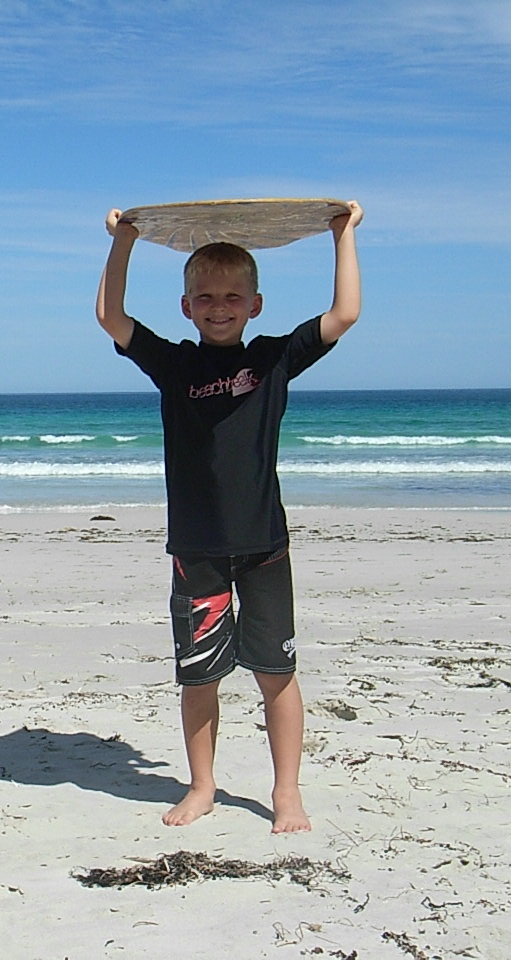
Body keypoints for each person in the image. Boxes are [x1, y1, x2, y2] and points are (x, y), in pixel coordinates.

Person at [95, 201, 363, 833]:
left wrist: (342, 235)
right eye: (206, 296)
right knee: (200, 676)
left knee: (277, 672)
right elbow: (110, 315)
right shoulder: (175, 364)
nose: (220, 306)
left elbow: (344, 312)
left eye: (233, 296)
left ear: (255, 305)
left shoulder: (272, 359)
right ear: (186, 306)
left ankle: (286, 792)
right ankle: (203, 786)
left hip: (265, 546)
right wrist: (125, 240)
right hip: (198, 550)